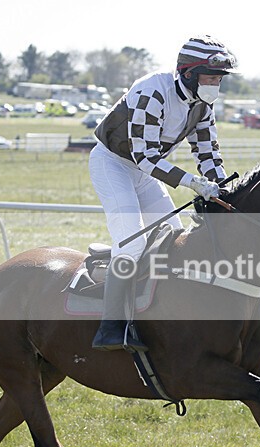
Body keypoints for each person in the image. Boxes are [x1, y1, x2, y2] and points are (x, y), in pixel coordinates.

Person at [89, 35, 238, 351]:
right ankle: (110, 327)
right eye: (211, 77)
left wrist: (223, 188)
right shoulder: (152, 90)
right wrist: (194, 183)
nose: (216, 84)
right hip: (113, 164)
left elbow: (208, 153)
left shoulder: (202, 105)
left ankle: (161, 314)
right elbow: (145, 157)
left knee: (174, 239)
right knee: (132, 243)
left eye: (219, 79)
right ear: (189, 73)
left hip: (144, 172)